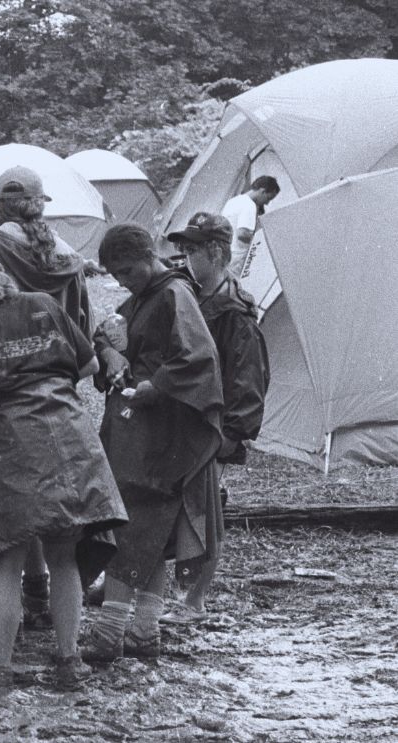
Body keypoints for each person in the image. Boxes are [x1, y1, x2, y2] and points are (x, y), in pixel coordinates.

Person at [0, 262, 126, 689]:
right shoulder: (45, 302)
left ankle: (0, 667)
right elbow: (90, 366)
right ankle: (68, 662)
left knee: (8, 557)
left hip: (14, 440)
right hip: (68, 432)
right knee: (63, 554)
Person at [82, 224, 223, 663]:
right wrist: (109, 352)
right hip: (139, 426)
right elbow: (109, 332)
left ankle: (108, 634)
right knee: (154, 530)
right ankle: (144, 631)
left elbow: (198, 358)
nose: (123, 281)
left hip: (157, 433)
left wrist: (155, 388)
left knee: (129, 521)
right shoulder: (146, 294)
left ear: (149, 256)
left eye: (127, 270)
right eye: (115, 275)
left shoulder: (172, 294)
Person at [0, 165, 93, 629]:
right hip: (58, 389)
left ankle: (25, 598)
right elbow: (85, 323)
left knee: (12, 504)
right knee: (53, 499)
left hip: (3, 392)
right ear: (41, 204)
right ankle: (49, 612)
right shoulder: (65, 255)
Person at [163, 213, 269, 623]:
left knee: (205, 512)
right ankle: (140, 580)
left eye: (193, 250)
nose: (186, 258)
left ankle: (194, 600)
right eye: (184, 250)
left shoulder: (234, 311)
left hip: (214, 428)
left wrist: (231, 435)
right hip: (181, 421)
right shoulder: (188, 293)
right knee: (165, 503)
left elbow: (249, 376)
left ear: (217, 252)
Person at [220, 176, 280, 277]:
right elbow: (242, 234)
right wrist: (260, 239)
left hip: (224, 256)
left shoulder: (233, 201)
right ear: (262, 191)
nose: (267, 203)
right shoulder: (249, 205)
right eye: (268, 198)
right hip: (236, 261)